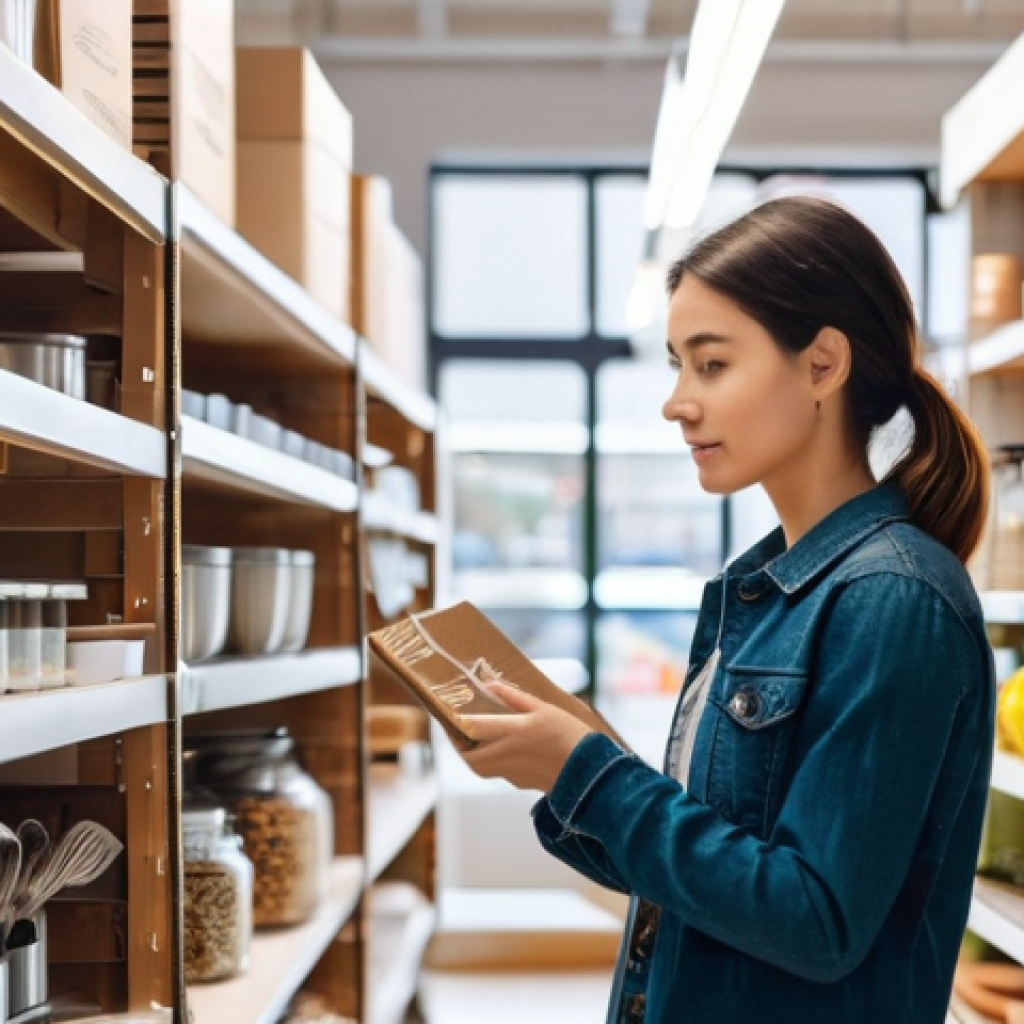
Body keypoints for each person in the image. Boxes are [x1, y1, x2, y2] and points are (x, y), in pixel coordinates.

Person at [452, 196, 996, 1024]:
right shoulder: (773, 590)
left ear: (822, 365)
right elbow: (708, 884)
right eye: (676, 364)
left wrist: (589, 775)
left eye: (710, 365)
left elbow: (814, 920)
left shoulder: (893, 600)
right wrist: (570, 768)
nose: (676, 401)